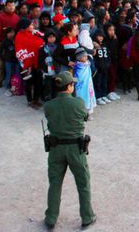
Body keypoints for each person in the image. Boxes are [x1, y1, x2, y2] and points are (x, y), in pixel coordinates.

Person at [43, 71, 96, 230]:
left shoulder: (49, 105)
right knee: (83, 183)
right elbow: (85, 117)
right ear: (70, 86)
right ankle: (87, 216)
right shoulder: (79, 103)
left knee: (55, 184)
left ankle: (51, 218)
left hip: (55, 149)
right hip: (75, 149)